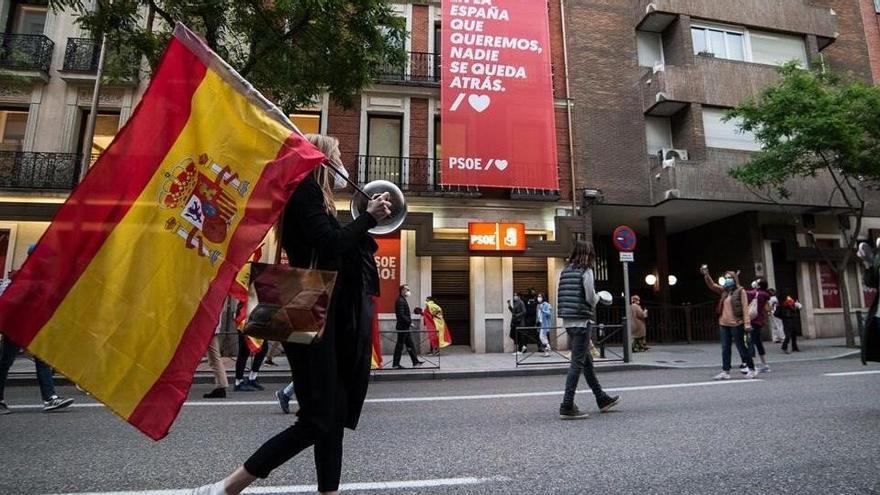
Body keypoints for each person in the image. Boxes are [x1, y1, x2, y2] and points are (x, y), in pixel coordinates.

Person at [190, 134, 391, 495]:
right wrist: (367, 220)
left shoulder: (320, 198)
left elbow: (333, 244)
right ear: (323, 158)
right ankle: (228, 486)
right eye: (339, 153)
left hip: (322, 311)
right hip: (310, 309)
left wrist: (362, 221)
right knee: (318, 420)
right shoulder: (305, 191)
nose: (343, 160)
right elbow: (328, 244)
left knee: (330, 419)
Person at [556, 240, 620, 419]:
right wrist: (600, 297)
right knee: (577, 363)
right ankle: (567, 405)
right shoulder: (587, 271)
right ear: (588, 254)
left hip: (568, 322)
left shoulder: (565, 271)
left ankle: (602, 399)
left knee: (587, 363)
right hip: (582, 322)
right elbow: (591, 298)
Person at [0, 264, 75, 414]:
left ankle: (50, 398)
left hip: (31, 326)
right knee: (6, 361)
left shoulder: (39, 280)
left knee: (41, 359)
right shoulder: (21, 279)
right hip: (17, 326)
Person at [701, 265, 756, 380]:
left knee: (741, 347)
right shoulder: (724, 292)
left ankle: (751, 368)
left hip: (737, 323)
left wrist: (746, 323)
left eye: (729, 277)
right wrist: (706, 275)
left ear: (734, 279)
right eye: (725, 278)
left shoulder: (741, 291)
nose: (727, 279)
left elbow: (745, 308)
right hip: (724, 324)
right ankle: (725, 371)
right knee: (725, 348)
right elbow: (712, 285)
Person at [392, 284, 423, 369]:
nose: (408, 291)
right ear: (402, 290)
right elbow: (401, 315)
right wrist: (410, 322)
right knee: (400, 346)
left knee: (410, 345)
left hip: (404, 327)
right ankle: (395, 364)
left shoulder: (402, 300)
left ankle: (415, 362)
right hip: (402, 327)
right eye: (407, 290)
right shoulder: (400, 301)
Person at [746, 278, 772, 373]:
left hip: (753, 321)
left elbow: (744, 293)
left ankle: (751, 364)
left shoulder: (757, 294)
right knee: (757, 342)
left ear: (759, 285)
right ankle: (764, 364)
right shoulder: (764, 295)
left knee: (751, 342)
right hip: (759, 321)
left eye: (757, 282)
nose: (755, 282)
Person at [203, 318, 229, 399]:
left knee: (214, 357)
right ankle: (221, 385)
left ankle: (221, 386)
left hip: (207, 325)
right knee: (214, 357)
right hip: (211, 325)